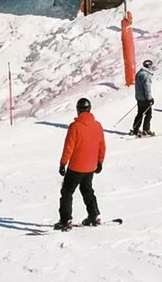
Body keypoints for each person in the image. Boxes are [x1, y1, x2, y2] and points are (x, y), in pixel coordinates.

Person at [56, 98, 105, 230]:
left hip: (76, 166)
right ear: (89, 109)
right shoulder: (97, 125)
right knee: (87, 190)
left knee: (67, 191)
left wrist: (63, 164)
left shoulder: (75, 126)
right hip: (91, 166)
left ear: (78, 110)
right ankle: (94, 215)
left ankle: (66, 220)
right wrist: (99, 162)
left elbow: (68, 148)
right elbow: (102, 146)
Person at [131, 60, 155, 137]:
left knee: (140, 113)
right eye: (151, 65)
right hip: (145, 98)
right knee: (148, 114)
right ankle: (146, 129)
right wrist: (150, 99)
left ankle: (135, 128)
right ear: (148, 66)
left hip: (139, 97)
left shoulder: (139, 73)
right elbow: (147, 88)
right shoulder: (146, 75)